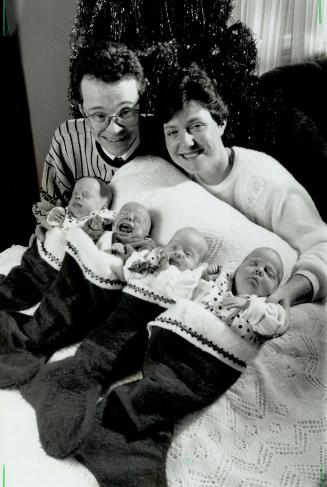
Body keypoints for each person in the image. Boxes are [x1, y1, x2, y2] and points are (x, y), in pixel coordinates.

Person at [66, 247, 288, 487]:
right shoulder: (214, 284)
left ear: (274, 291)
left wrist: (250, 305)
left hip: (212, 367)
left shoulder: (266, 310)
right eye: (254, 263)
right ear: (238, 268)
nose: (259, 271)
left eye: (269, 272)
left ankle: (110, 436)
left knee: (168, 403)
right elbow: (179, 292)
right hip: (175, 343)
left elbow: (275, 324)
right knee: (160, 385)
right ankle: (110, 423)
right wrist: (201, 273)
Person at [20, 227, 209, 459]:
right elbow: (127, 271)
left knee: (119, 363)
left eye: (188, 253)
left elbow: (191, 301)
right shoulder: (148, 259)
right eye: (174, 247)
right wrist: (145, 262)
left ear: (198, 265)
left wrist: (193, 276)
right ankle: (68, 382)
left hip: (147, 335)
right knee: (98, 351)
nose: (178, 254)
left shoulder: (188, 280)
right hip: (123, 315)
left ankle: (64, 384)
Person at [156, 63, 327, 312]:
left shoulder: (268, 182)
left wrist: (287, 294)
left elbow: (323, 244)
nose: (185, 142)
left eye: (196, 126)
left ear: (221, 122)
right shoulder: (174, 173)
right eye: (173, 132)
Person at [0, 201, 154, 388]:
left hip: (101, 294)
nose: (129, 218)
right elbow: (75, 248)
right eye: (124, 214)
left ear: (146, 234)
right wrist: (91, 231)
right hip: (76, 279)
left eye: (137, 219)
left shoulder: (145, 248)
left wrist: (130, 261)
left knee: (60, 322)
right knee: (54, 305)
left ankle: (29, 340)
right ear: (113, 222)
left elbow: (142, 277)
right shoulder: (104, 234)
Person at [33, 41, 163, 239]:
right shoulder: (67, 140)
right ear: (82, 109)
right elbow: (48, 208)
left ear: (141, 95)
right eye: (99, 116)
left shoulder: (166, 136)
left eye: (126, 111)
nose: (115, 129)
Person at [0, 176, 114, 311]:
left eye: (86, 195)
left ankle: (10, 297)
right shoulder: (63, 212)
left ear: (102, 207)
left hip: (57, 268)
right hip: (38, 256)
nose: (78, 197)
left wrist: (99, 219)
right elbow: (49, 221)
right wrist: (53, 218)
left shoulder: (96, 221)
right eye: (75, 194)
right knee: (22, 274)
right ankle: (7, 289)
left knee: (30, 288)